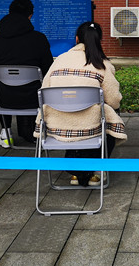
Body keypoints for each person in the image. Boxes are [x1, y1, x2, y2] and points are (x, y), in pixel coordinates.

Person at [34, 21, 127, 187]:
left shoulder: (60, 60)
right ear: (99, 40)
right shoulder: (102, 64)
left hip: (57, 127)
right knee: (110, 114)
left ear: (77, 39)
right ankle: (97, 170)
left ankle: (77, 172)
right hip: (90, 128)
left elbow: (43, 92)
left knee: (76, 114)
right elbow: (114, 100)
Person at [0, 0, 53, 148]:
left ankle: (6, 133)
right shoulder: (39, 39)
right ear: (30, 16)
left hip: (4, 99)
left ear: (9, 13)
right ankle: (35, 131)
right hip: (34, 99)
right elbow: (48, 73)